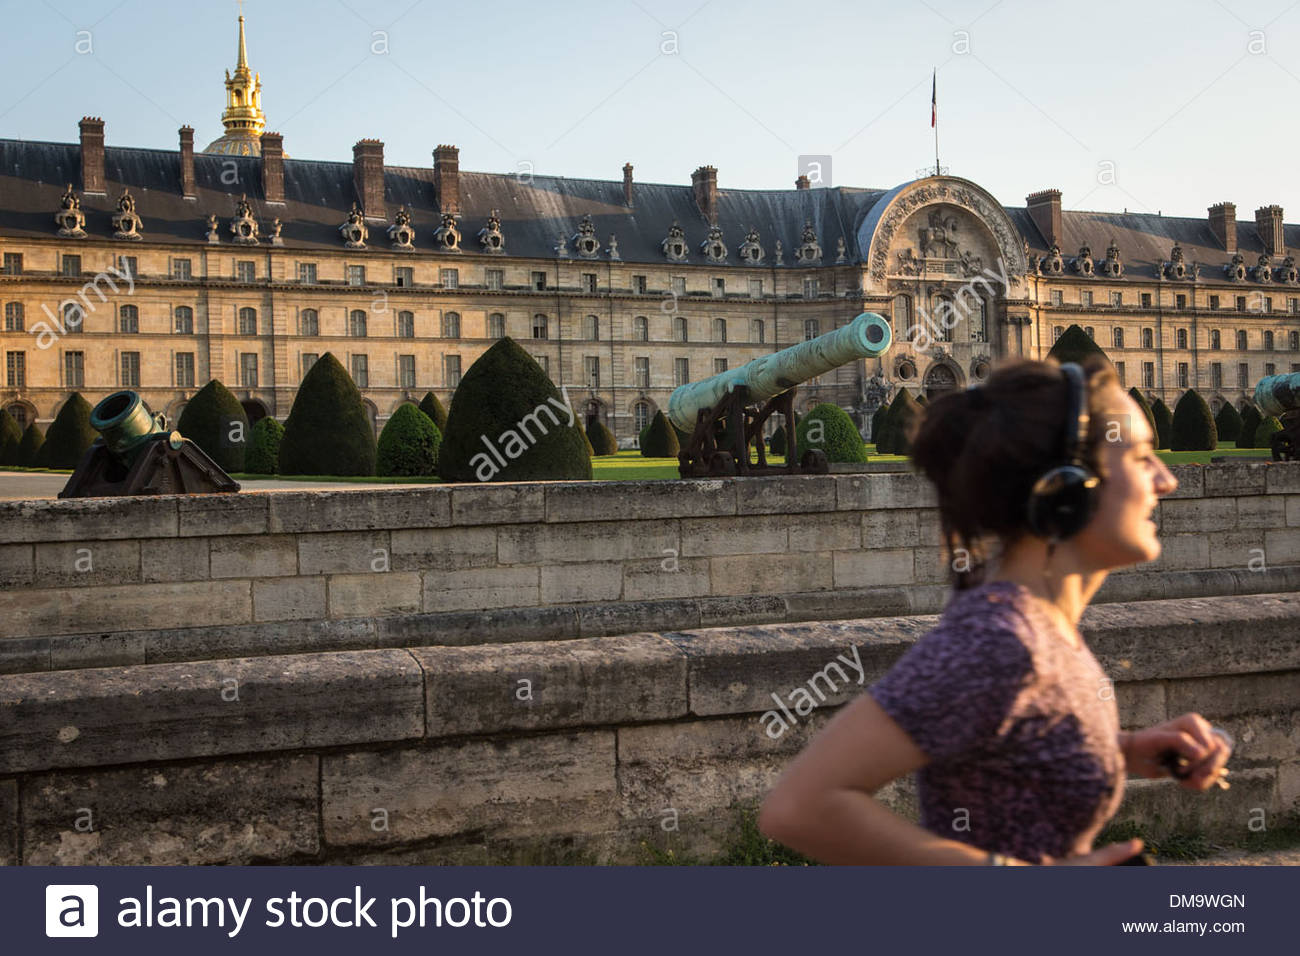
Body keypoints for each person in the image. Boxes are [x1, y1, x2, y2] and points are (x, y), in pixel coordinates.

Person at [758, 356, 1232, 865]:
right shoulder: (1000, 638)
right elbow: (799, 807)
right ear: (1067, 485)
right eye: (1140, 457)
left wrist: (1117, 748)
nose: (1167, 480)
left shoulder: (1038, 627)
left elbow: (1001, 750)